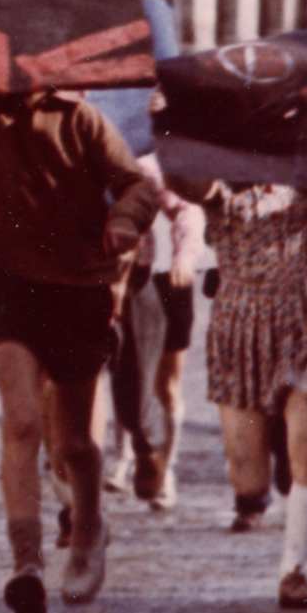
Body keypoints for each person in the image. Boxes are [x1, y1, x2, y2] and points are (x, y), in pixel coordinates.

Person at [0, 91, 160, 613]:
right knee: (21, 422)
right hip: (11, 283)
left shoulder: (79, 116)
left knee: (73, 440)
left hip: (78, 285)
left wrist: (125, 222)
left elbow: (138, 183)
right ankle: (26, 562)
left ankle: (89, 525)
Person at [194, 182, 307, 609]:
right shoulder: (219, 172)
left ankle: (294, 570)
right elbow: (189, 180)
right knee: (248, 479)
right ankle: (259, 502)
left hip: (300, 314)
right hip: (238, 321)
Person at [109, 160, 203, 513]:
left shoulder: (151, 163)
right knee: (124, 371)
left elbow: (187, 210)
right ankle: (124, 456)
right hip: (122, 281)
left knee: (166, 383)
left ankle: (168, 467)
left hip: (167, 281)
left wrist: (184, 257)